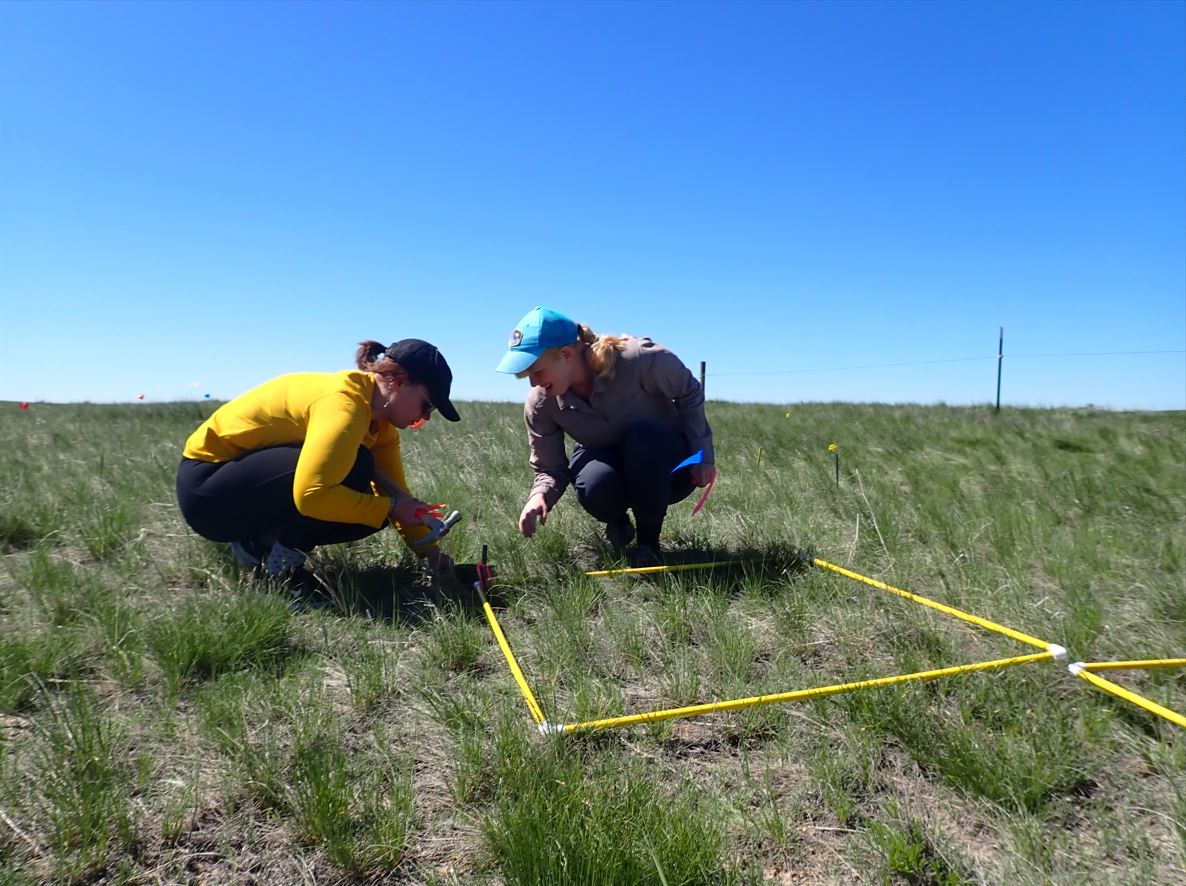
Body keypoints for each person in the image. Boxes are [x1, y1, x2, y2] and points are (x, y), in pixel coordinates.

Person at [176, 339, 460, 588]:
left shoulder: (380, 426)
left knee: (373, 503)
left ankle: (261, 541)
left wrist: (432, 556)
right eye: (428, 405)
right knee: (357, 468)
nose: (427, 416)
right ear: (398, 382)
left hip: (240, 484)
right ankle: (279, 573)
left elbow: (397, 496)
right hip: (207, 494)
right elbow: (312, 496)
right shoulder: (344, 406)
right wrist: (395, 507)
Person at [495, 306, 717, 567]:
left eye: (537, 372)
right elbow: (550, 468)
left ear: (565, 355)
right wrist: (539, 496)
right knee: (595, 484)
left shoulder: (638, 359)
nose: (533, 383)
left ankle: (648, 545)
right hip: (607, 460)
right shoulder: (541, 404)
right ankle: (619, 524)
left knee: (642, 437)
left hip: (669, 467)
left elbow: (689, 391)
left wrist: (703, 456)